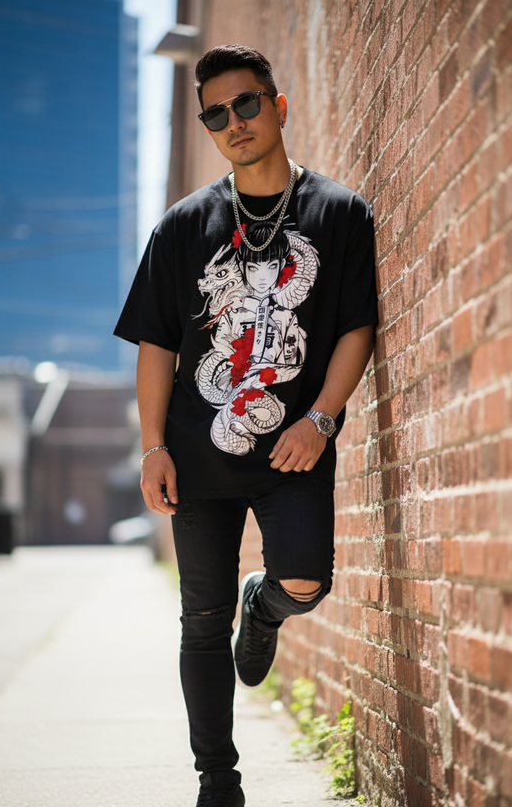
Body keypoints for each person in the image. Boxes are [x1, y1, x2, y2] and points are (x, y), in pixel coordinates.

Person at [114, 44, 378, 807]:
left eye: (248, 103)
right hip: (198, 454)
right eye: (216, 113)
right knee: (200, 618)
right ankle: (217, 778)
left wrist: (321, 419)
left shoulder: (338, 212)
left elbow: (356, 327)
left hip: (294, 445)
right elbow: (158, 345)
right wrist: (153, 447)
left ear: (278, 105)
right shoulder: (182, 227)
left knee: (306, 577)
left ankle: (263, 606)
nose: (234, 122)